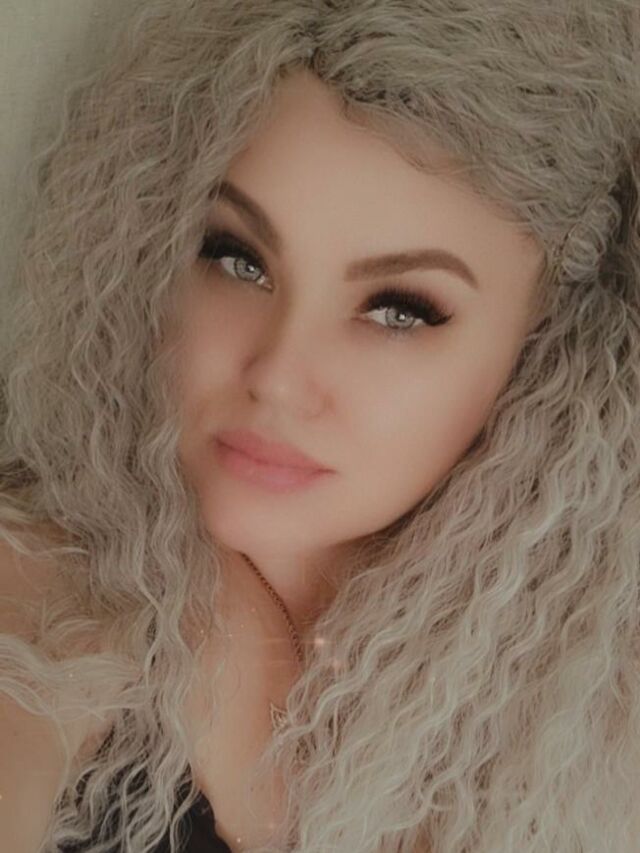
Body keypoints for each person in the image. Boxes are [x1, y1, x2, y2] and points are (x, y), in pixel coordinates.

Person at [0, 1, 638, 851]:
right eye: (238, 258)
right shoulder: (46, 593)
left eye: (398, 309)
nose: (276, 373)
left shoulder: (564, 724)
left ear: (541, 357)